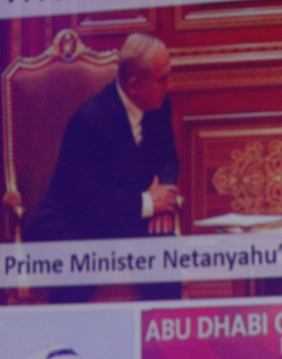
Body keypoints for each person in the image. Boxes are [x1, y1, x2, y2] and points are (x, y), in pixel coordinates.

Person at [27, 33, 180, 302]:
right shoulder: (89, 122)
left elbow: (168, 157)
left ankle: (160, 327)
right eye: (162, 79)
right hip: (73, 221)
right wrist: (148, 203)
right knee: (80, 265)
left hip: (123, 213)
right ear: (134, 85)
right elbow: (90, 202)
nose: (171, 85)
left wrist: (164, 200)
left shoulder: (157, 101)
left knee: (163, 250)